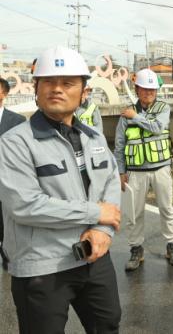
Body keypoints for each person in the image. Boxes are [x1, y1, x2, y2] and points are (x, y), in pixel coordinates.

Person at [0, 47, 122, 333]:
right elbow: (25, 205)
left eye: (67, 83)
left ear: (83, 92)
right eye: (49, 82)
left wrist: (103, 231)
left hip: (94, 255)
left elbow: (111, 183)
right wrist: (95, 213)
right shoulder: (15, 142)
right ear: (36, 89)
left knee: (107, 325)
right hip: (42, 265)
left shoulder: (93, 137)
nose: (57, 89)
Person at [114, 68, 173, 271]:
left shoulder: (163, 108)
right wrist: (121, 172)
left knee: (167, 209)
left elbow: (156, 128)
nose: (149, 93)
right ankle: (136, 249)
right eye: (144, 89)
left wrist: (135, 116)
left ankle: (172, 246)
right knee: (134, 213)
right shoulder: (125, 114)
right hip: (135, 171)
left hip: (161, 168)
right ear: (137, 89)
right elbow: (119, 145)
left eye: (152, 90)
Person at [0, 77, 27, 271]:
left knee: (6, 218)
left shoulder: (17, 121)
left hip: (7, 178)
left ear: (4, 94)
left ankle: (7, 252)